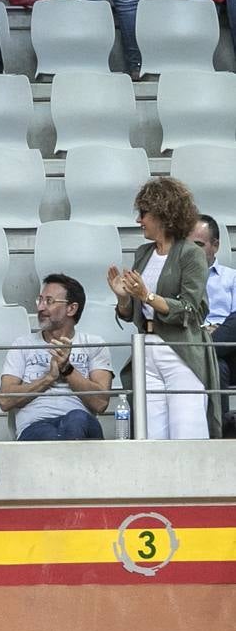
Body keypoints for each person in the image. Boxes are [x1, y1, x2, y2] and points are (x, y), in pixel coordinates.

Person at [108, 175, 220, 439]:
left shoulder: (190, 253)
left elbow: (190, 310)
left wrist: (147, 295)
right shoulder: (143, 253)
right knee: (151, 434)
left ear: (163, 213)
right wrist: (123, 297)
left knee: (186, 430)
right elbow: (130, 313)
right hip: (146, 348)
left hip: (179, 349)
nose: (139, 220)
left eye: (144, 213)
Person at [0, 274, 113, 441]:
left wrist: (67, 369)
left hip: (80, 424)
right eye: (40, 300)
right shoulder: (22, 345)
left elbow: (101, 403)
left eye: (49, 301)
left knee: (76, 419)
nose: (40, 307)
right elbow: (5, 401)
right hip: (35, 426)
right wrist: (49, 378)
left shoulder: (94, 344)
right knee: (50, 435)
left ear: (71, 308)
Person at [188, 213, 236, 394]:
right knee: (217, 366)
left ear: (215, 246)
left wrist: (217, 329)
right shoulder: (176, 279)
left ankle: (204, 349)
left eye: (198, 245)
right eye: (188, 245)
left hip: (231, 352)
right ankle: (220, 424)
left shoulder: (231, 278)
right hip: (196, 346)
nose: (191, 250)